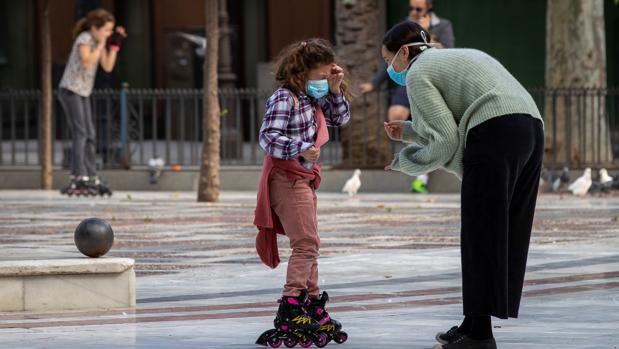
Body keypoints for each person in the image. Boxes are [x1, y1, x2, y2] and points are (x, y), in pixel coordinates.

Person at [381, 21, 543, 349]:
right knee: (502, 228)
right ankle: (473, 323)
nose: (390, 69)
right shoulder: (450, 57)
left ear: (403, 52)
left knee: (479, 231)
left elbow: (443, 141)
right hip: (530, 127)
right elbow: (453, 124)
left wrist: (406, 160)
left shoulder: (416, 72)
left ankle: (480, 335)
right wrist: (410, 132)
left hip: (494, 130)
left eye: (388, 61)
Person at [254, 39, 351, 347]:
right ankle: (291, 303)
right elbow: (267, 137)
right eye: (322, 76)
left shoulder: (310, 99)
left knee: (310, 242)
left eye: (328, 75)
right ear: (303, 72)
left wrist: (335, 90)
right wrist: (300, 149)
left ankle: (310, 300)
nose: (324, 81)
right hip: (286, 177)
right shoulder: (285, 98)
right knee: (306, 242)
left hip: (304, 178)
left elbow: (340, 119)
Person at [360, 0, 454, 193]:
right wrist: (375, 83)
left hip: (429, 75)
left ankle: (422, 174)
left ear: (428, 7)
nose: (414, 12)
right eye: (411, 8)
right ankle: (417, 157)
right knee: (395, 115)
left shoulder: (442, 25)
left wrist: (427, 35)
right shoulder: (403, 26)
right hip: (407, 77)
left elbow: (447, 51)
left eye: (418, 9)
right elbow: (391, 58)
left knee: (430, 124)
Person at [58, 8, 126, 196]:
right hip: (70, 90)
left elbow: (107, 66)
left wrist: (114, 47)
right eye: (106, 30)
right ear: (95, 28)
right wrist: (101, 44)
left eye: (110, 30)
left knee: (91, 133)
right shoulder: (85, 39)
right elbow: (87, 62)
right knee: (80, 132)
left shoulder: (96, 41)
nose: (108, 33)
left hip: (83, 92)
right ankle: (78, 175)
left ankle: (91, 175)